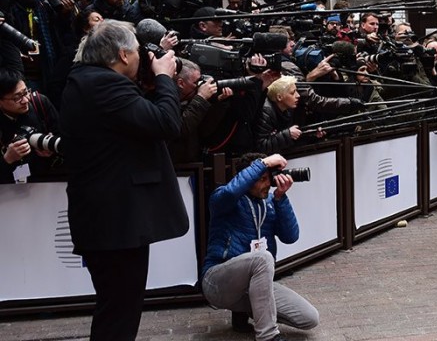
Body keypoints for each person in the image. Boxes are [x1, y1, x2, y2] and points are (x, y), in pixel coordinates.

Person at [60, 19, 189, 340]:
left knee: (116, 308)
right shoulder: (104, 85)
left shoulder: (85, 81)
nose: (143, 57)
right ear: (122, 54)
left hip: (107, 222)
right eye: (137, 51)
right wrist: (163, 77)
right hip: (115, 226)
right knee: (119, 312)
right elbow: (166, 123)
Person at [201, 152, 319, 341]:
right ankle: (267, 335)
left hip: (252, 287)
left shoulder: (270, 203)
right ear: (246, 179)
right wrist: (263, 163)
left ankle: (243, 312)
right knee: (263, 258)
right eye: (261, 179)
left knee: (309, 318)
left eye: (268, 179)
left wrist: (280, 198)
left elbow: (291, 237)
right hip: (217, 283)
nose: (267, 184)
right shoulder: (224, 199)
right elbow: (231, 193)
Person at [0, 69, 60, 184]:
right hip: (7, 187)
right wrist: (7, 159)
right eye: (17, 97)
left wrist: (52, 149)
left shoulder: (39, 103)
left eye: (25, 92)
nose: (26, 100)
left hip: (46, 180)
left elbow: (64, 137)